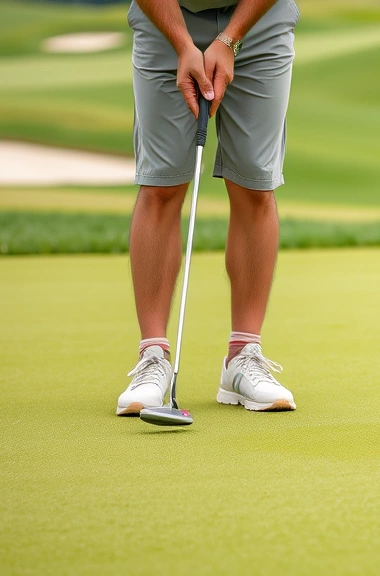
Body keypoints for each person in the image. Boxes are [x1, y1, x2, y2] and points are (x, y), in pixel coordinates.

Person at [117, 0, 298, 415]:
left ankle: (243, 356)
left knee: (255, 183)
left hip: (259, 19)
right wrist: (183, 44)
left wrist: (229, 39)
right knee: (160, 185)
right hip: (165, 19)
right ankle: (153, 358)